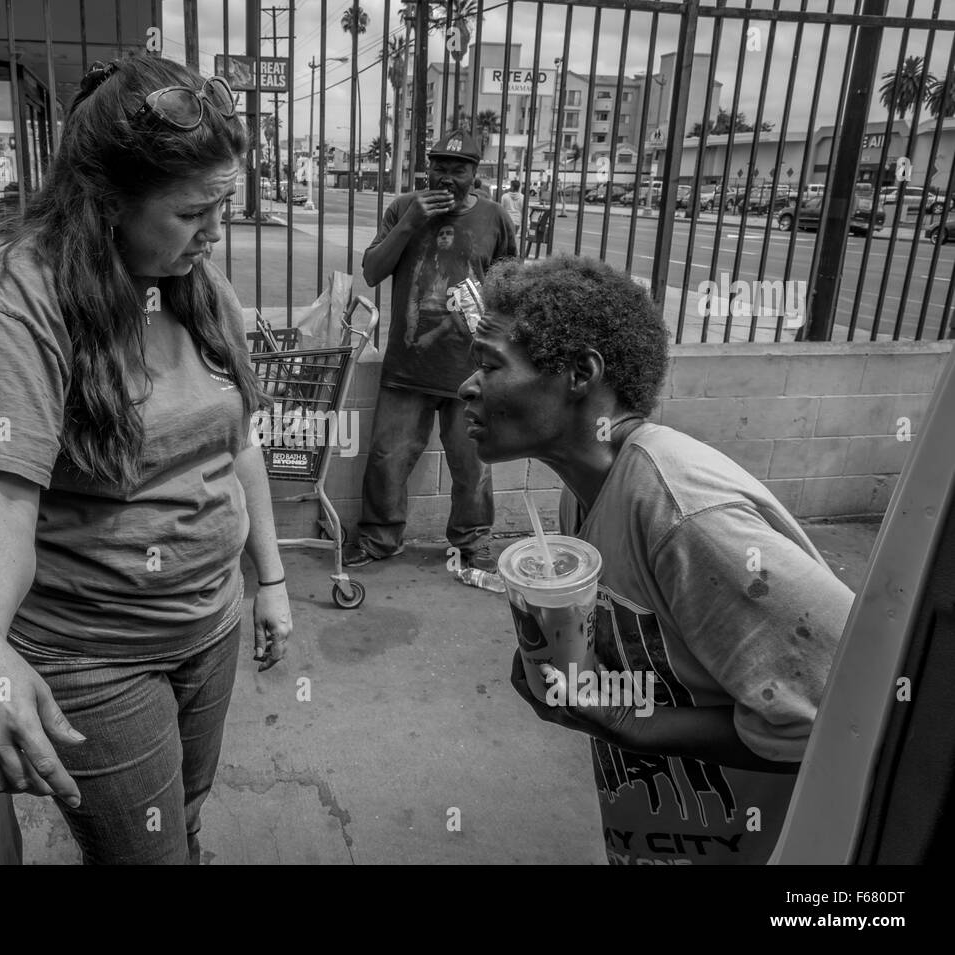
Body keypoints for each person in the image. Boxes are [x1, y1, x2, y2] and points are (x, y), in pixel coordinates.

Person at [0, 56, 293, 865]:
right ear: (106, 203)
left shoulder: (198, 284)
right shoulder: (18, 305)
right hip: (94, 653)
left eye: (223, 207)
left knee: (186, 815)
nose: (214, 232)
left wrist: (269, 580)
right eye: (192, 212)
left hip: (210, 621)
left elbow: (239, 442)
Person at [459, 255, 852, 865]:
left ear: (579, 373)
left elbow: (843, 712)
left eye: (489, 364)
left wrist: (629, 723)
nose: (468, 385)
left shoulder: (685, 515)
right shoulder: (583, 498)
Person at [345, 130, 516, 571]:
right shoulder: (403, 208)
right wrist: (409, 224)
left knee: (473, 464)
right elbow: (370, 271)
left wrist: (503, 352)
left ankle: (472, 542)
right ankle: (379, 540)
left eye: (458, 169)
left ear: (475, 174)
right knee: (387, 457)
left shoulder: (495, 218)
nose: (446, 177)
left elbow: (508, 288)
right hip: (408, 364)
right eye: (439, 166)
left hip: (472, 369)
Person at [500, 179, 526, 249]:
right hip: (517, 221)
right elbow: (524, 211)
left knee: (506, 238)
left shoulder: (505, 196)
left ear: (512, 187)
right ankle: (513, 252)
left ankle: (507, 253)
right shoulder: (523, 197)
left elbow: (501, 209)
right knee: (513, 238)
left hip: (507, 220)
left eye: (510, 186)